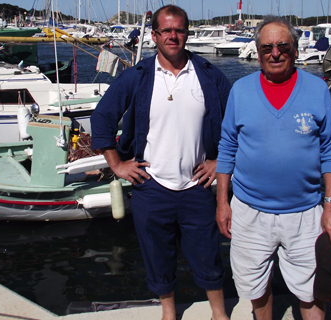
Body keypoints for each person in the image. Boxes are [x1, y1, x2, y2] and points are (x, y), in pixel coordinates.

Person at [91, 5, 231, 320]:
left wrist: (219, 160)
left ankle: (219, 313)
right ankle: (169, 313)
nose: (173, 36)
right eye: (166, 30)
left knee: (208, 254)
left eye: (179, 30)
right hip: (151, 186)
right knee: (157, 256)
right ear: (154, 36)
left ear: (187, 33)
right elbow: (102, 117)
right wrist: (117, 164)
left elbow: (237, 120)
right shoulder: (137, 76)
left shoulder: (208, 75)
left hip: (196, 186)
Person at [216, 16, 331, 320]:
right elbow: (227, 149)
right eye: (267, 47)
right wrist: (222, 202)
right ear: (258, 52)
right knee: (256, 288)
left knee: (312, 290)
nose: (275, 53)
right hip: (249, 213)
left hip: (305, 213)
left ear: (296, 50)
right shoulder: (241, 90)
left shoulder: (317, 90)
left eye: (283, 46)